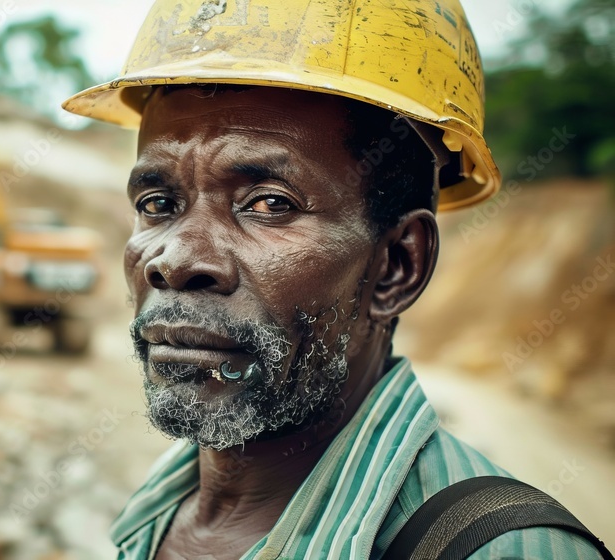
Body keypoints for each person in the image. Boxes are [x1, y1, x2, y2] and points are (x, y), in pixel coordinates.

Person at [62, 0, 611, 558]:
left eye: (270, 204)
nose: (174, 261)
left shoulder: (504, 550)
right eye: (158, 203)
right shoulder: (155, 516)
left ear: (396, 266)